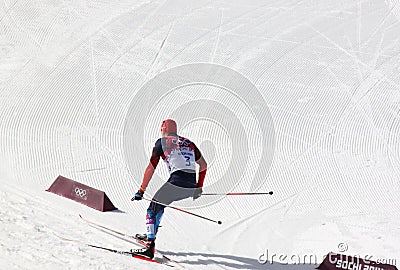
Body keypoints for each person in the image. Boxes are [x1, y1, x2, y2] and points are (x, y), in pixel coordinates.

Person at [131, 119, 207, 259]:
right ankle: (150, 235)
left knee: (151, 210)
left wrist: (141, 190)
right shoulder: (189, 143)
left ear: (163, 129)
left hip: (176, 182)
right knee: (160, 205)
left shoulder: (162, 142)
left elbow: (151, 168)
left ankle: (149, 246)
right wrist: (198, 187)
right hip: (191, 185)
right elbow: (203, 165)